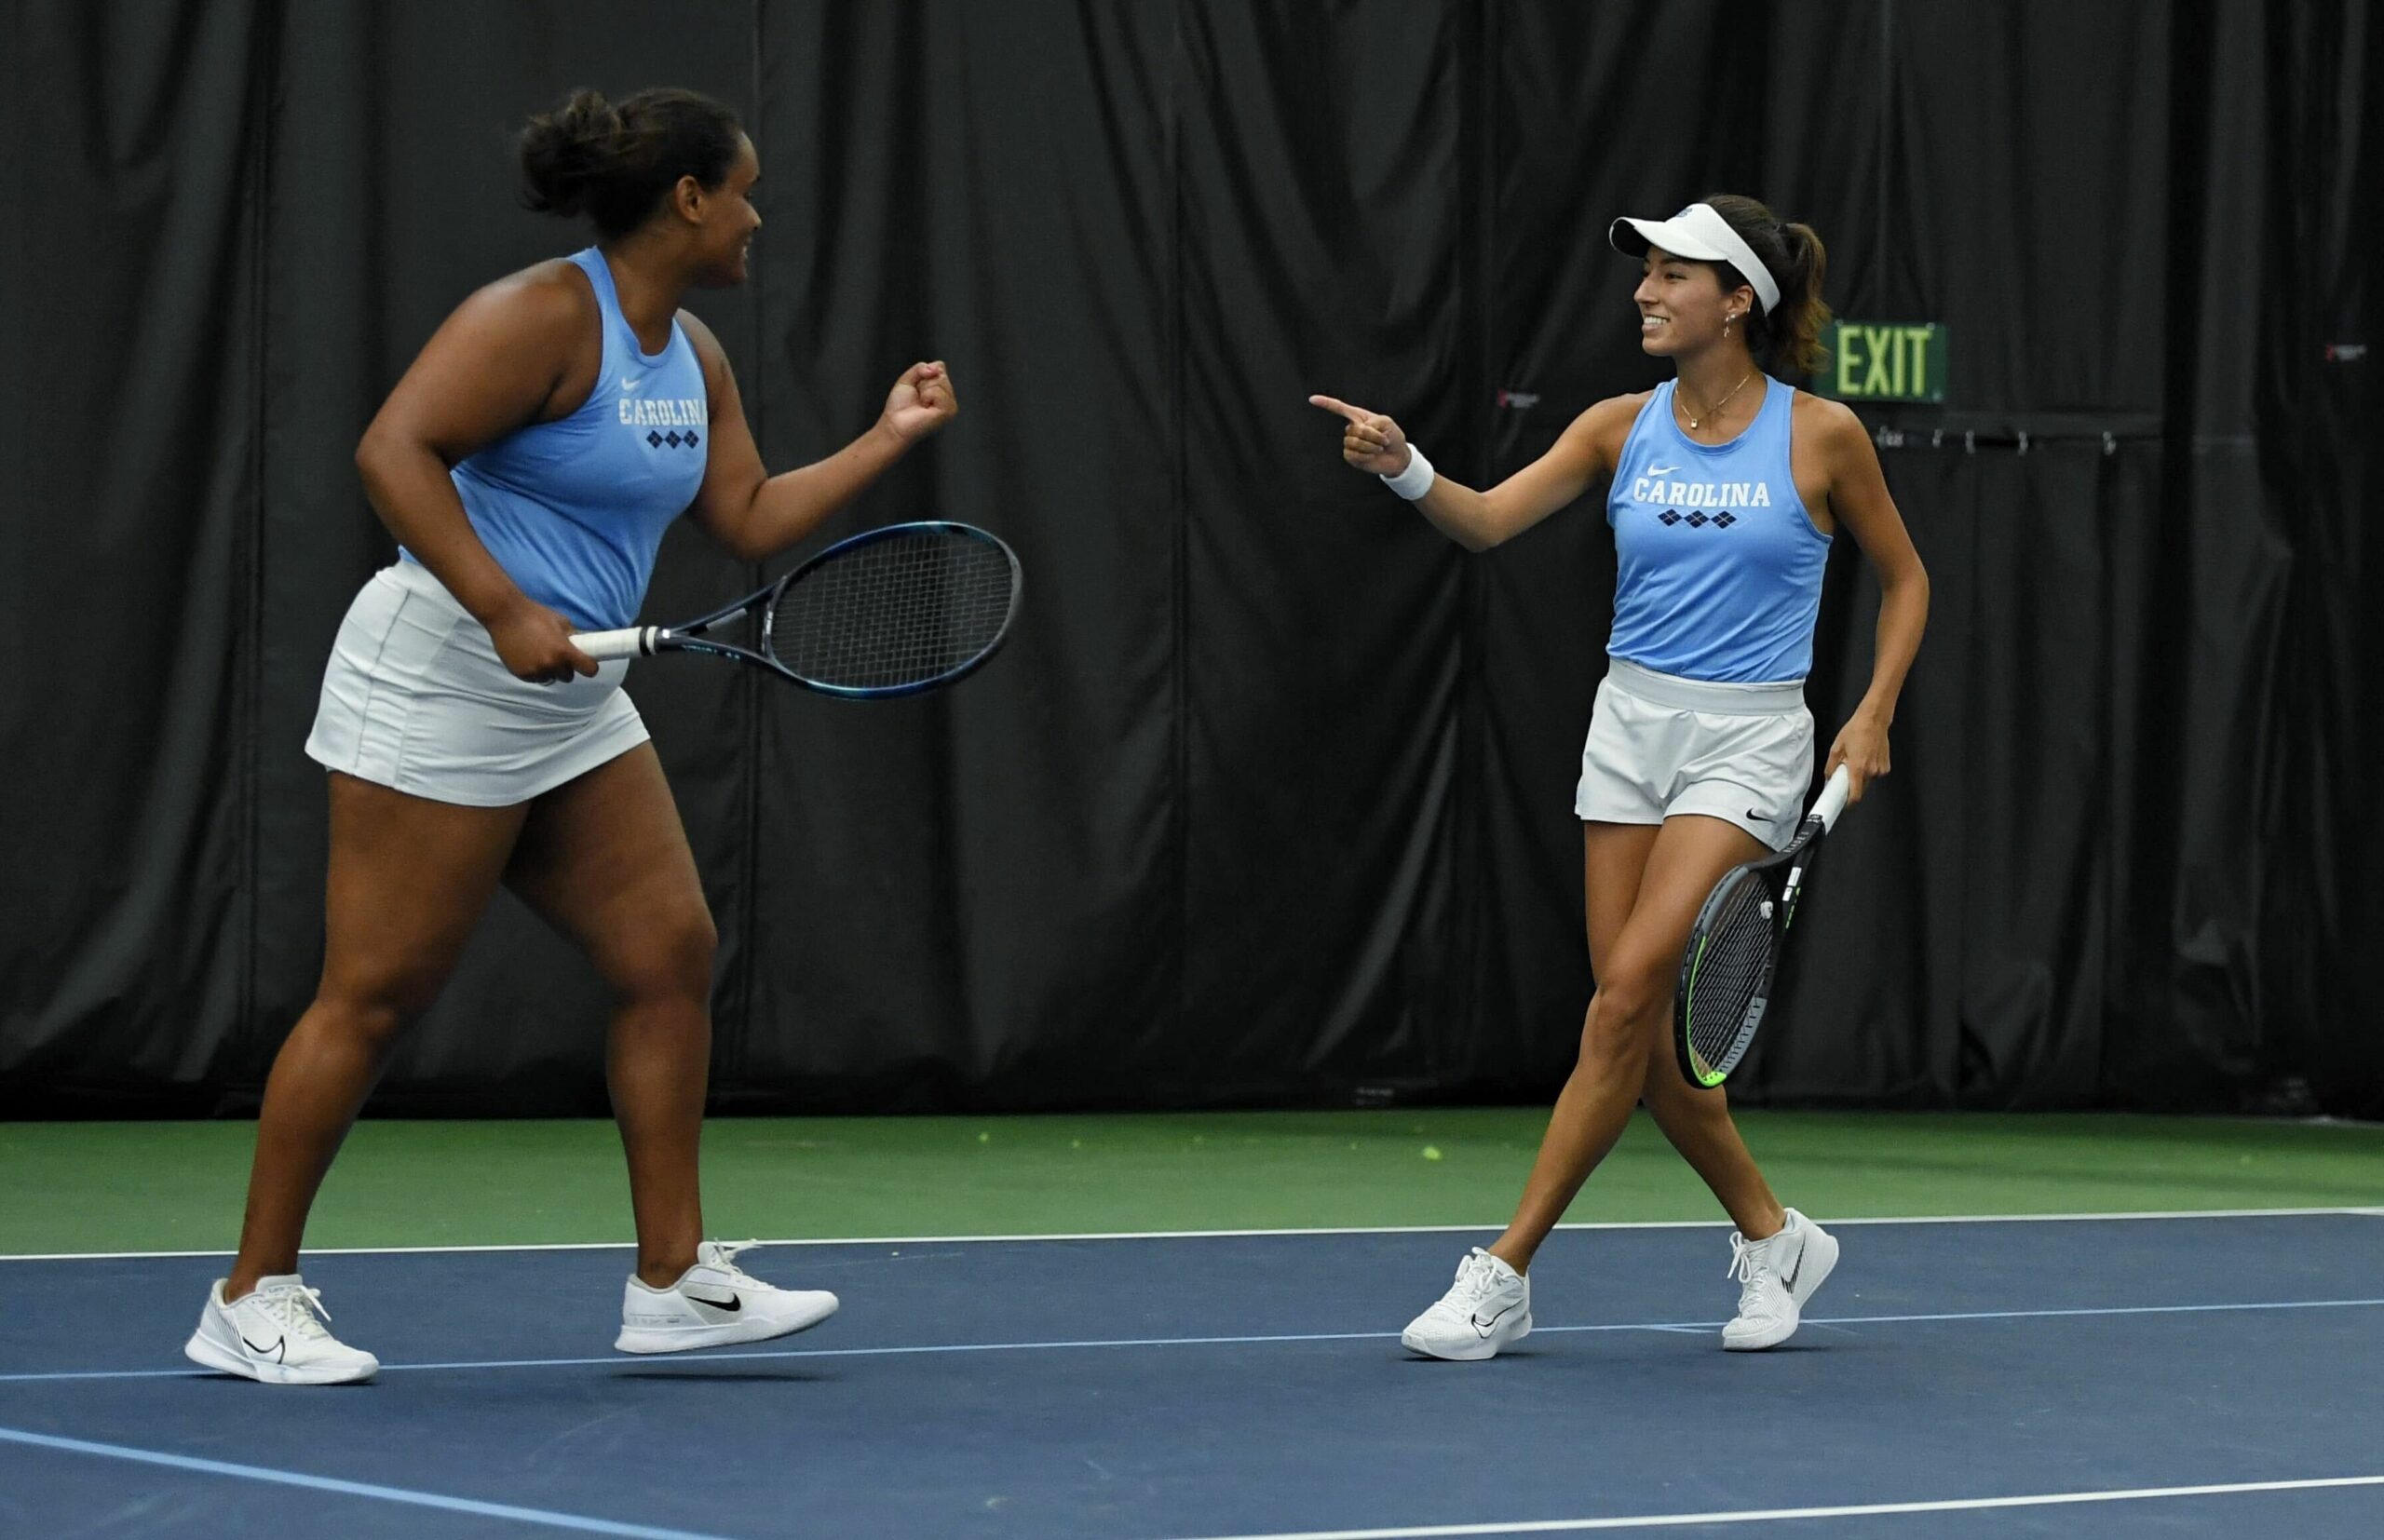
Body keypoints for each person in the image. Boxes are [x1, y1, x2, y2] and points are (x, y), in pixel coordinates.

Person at [184, 87, 957, 1385]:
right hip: (440, 671)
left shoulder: (694, 355)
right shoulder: (542, 314)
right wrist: (501, 604)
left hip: (572, 697)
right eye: (746, 190)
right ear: (690, 200)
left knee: (669, 952)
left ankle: (670, 1277)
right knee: (373, 996)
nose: (759, 214)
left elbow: (753, 517)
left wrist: (889, 437)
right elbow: (395, 450)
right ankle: (250, 1293)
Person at [1310, 196, 1927, 1360]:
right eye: (1642, 273)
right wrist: (1404, 468)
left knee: (1626, 991)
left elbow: (1906, 580)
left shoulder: (1820, 435)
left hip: (1746, 741)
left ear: (1737, 299)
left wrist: (1873, 710)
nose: (1644, 291)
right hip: (1627, 728)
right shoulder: (1613, 426)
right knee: (1638, 1039)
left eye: (1672, 275)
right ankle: (1773, 1236)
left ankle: (1502, 1271)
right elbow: (1486, 522)